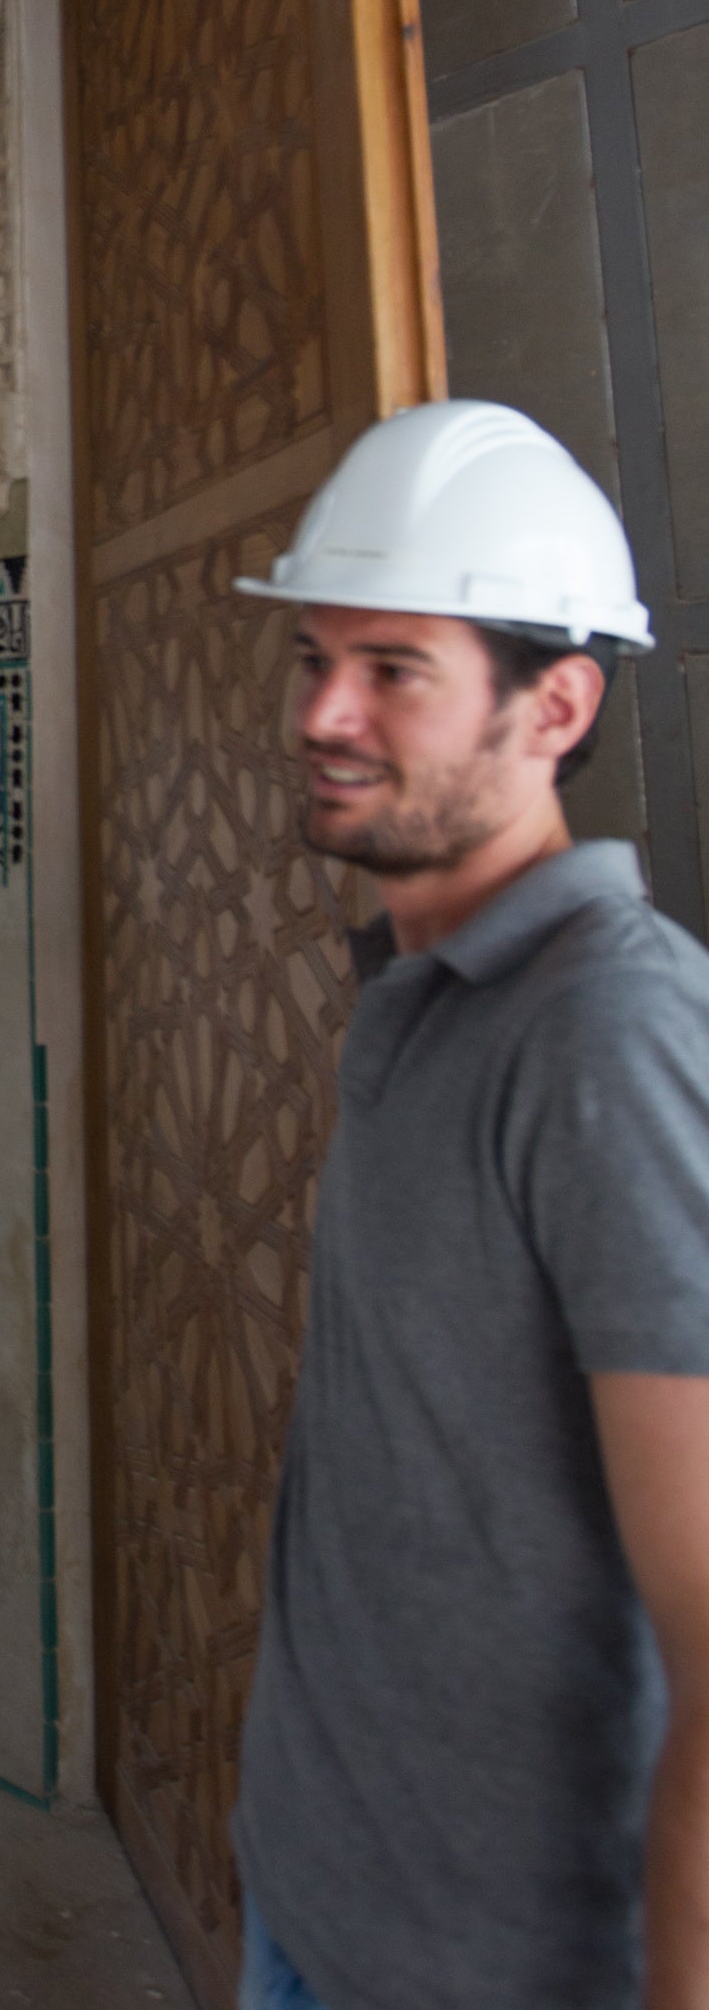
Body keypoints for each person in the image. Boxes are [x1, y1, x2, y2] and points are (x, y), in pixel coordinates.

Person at [227, 400, 709, 2010]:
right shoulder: (419, 997)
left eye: (395, 668)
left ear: (555, 702)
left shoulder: (612, 1031)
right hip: (316, 1893)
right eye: (314, 660)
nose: (326, 710)